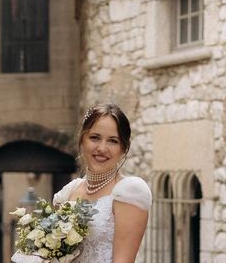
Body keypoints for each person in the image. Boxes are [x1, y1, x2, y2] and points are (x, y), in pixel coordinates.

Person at [52, 103, 152, 263]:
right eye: (94, 137)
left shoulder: (129, 192)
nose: (102, 148)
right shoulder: (69, 192)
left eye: (113, 141)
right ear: (82, 140)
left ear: (123, 149)